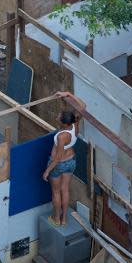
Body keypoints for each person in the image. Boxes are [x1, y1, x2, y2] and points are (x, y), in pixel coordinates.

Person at [42, 91, 86, 226]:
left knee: (56, 192)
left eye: (59, 117)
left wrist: (47, 171)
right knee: (65, 189)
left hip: (59, 164)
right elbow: (83, 106)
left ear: (64, 123)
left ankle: (56, 218)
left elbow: (57, 157)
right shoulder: (75, 123)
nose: (57, 116)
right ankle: (64, 219)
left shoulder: (62, 137)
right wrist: (68, 94)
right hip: (71, 162)